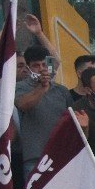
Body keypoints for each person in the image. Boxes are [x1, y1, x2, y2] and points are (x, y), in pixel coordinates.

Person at [14, 45, 73, 179]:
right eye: (36, 65)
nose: (41, 69)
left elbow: (72, 120)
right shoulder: (20, 87)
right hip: (35, 159)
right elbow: (23, 105)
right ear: (28, 68)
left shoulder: (61, 91)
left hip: (61, 156)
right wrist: (42, 87)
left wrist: (39, 33)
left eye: (44, 65)